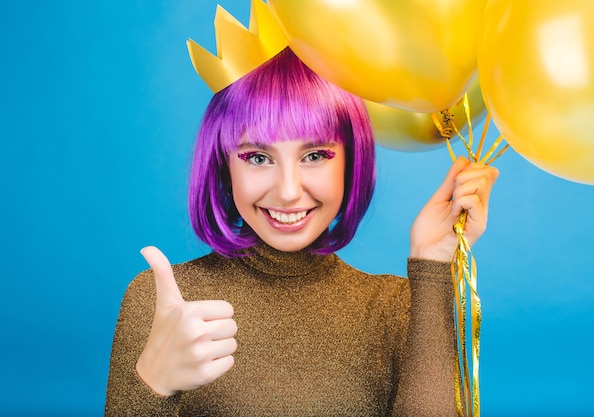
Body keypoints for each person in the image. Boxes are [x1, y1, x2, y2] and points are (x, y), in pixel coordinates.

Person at [104, 35, 498, 417]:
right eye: (258, 157)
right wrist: (153, 383)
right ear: (224, 166)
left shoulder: (396, 309)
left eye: (315, 154)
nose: (289, 191)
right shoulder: (158, 304)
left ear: (351, 160)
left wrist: (431, 270)